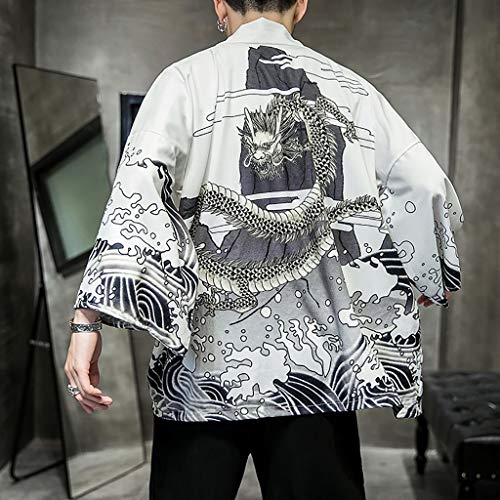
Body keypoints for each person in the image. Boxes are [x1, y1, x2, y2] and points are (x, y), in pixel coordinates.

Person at [64, 0, 464, 499]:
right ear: (301, 5)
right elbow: (423, 184)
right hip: (317, 374)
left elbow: (136, 196)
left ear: (219, 4)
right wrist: (429, 271)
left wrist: (87, 322)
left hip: (201, 376)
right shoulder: (351, 90)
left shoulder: (183, 81)